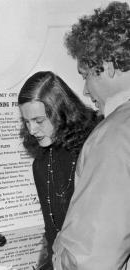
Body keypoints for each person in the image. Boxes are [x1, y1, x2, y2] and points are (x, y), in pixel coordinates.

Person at [52, 2, 130, 269]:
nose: (85, 91)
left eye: (85, 75)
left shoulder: (115, 134)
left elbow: (90, 257)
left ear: (108, 65)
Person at [18, 71, 102, 270]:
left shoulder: (93, 149)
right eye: (26, 121)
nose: (31, 130)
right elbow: (51, 232)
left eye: (38, 121)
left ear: (61, 112)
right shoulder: (40, 161)